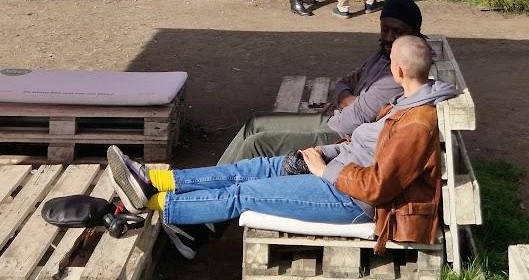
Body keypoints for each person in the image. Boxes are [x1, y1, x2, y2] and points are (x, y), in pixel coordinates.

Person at [109, 35, 454, 259]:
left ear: (397, 70)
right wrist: (323, 155)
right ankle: (156, 179)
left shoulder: (416, 123)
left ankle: (153, 203)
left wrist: (324, 168)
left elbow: (378, 188)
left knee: (245, 192)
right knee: (248, 168)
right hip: (337, 173)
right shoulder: (406, 104)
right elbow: (362, 148)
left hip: (352, 200)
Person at [218, 0, 424, 163]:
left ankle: (210, 193)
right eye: (385, 29)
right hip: (333, 117)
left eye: (397, 31)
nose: (388, 37)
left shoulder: (401, 69)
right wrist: (348, 96)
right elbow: (344, 82)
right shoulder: (383, 52)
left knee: (256, 144)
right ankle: (207, 180)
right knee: (254, 124)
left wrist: (348, 97)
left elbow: (357, 117)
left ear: (414, 33)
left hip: (339, 135)